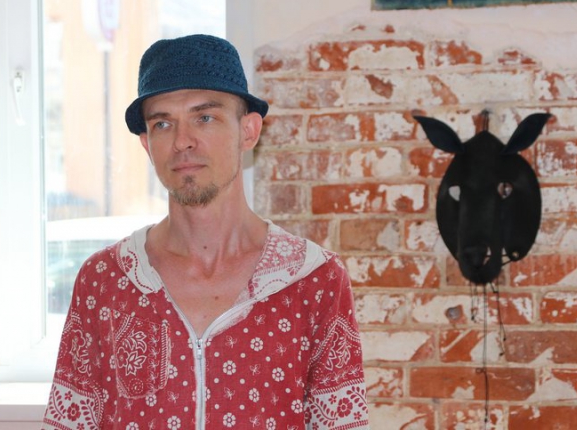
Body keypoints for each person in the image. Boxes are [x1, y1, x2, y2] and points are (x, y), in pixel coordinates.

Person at [41, 34, 369, 429]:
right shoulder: (105, 280)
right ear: (147, 144)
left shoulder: (314, 279)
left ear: (248, 131)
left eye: (205, 118)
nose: (182, 141)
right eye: (163, 123)